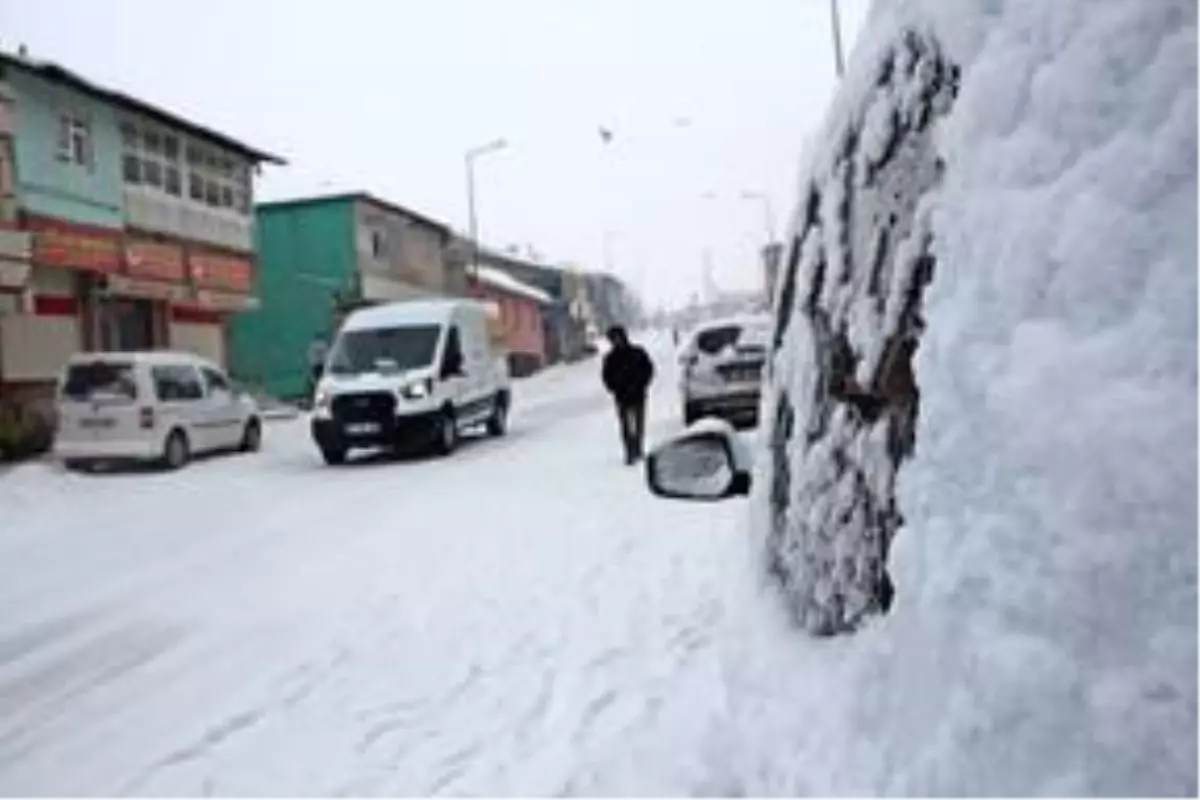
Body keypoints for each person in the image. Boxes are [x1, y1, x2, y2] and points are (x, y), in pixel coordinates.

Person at [601, 326, 655, 465]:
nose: (616, 341)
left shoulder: (638, 352)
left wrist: (642, 384)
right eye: (613, 339)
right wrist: (615, 388)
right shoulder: (610, 358)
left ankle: (638, 448)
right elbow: (607, 377)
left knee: (638, 423)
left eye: (618, 337)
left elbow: (648, 369)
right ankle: (629, 451)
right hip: (622, 396)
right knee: (626, 425)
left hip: (638, 394)